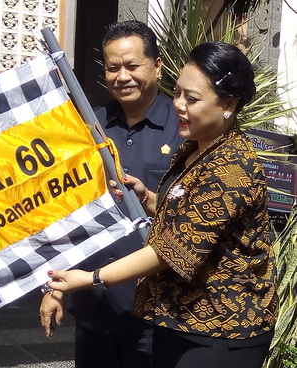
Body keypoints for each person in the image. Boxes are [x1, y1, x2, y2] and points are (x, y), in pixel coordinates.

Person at [45, 41, 277, 368]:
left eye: (192, 98)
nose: (178, 104)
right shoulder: (196, 147)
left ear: (228, 103)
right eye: (178, 92)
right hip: (179, 318)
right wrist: (148, 198)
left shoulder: (231, 170)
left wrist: (92, 278)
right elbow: (185, 213)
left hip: (220, 329)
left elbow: (173, 250)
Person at [40, 20, 182, 368]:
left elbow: (196, 219)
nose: (122, 76)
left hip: (157, 312)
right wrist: (53, 287)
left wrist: (149, 198)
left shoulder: (185, 129)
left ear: (157, 66)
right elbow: (66, 211)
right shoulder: (88, 128)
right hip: (94, 306)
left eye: (132, 65)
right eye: (112, 67)